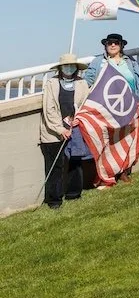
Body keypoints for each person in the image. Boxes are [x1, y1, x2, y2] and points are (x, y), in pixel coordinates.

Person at [84, 32, 139, 186]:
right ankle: (106, 172)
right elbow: (88, 81)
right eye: (109, 43)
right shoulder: (98, 62)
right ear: (105, 45)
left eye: (116, 43)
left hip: (129, 106)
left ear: (121, 45)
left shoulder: (130, 62)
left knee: (128, 139)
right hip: (107, 108)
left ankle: (124, 171)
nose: (112, 45)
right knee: (108, 141)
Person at [38, 54, 90, 208]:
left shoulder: (82, 83)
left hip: (75, 127)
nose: (69, 69)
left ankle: (74, 193)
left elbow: (85, 104)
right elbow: (49, 109)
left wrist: (78, 119)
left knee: (75, 161)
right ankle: (54, 199)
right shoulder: (51, 83)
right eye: (66, 66)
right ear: (60, 68)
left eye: (72, 66)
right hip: (54, 131)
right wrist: (60, 129)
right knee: (55, 166)